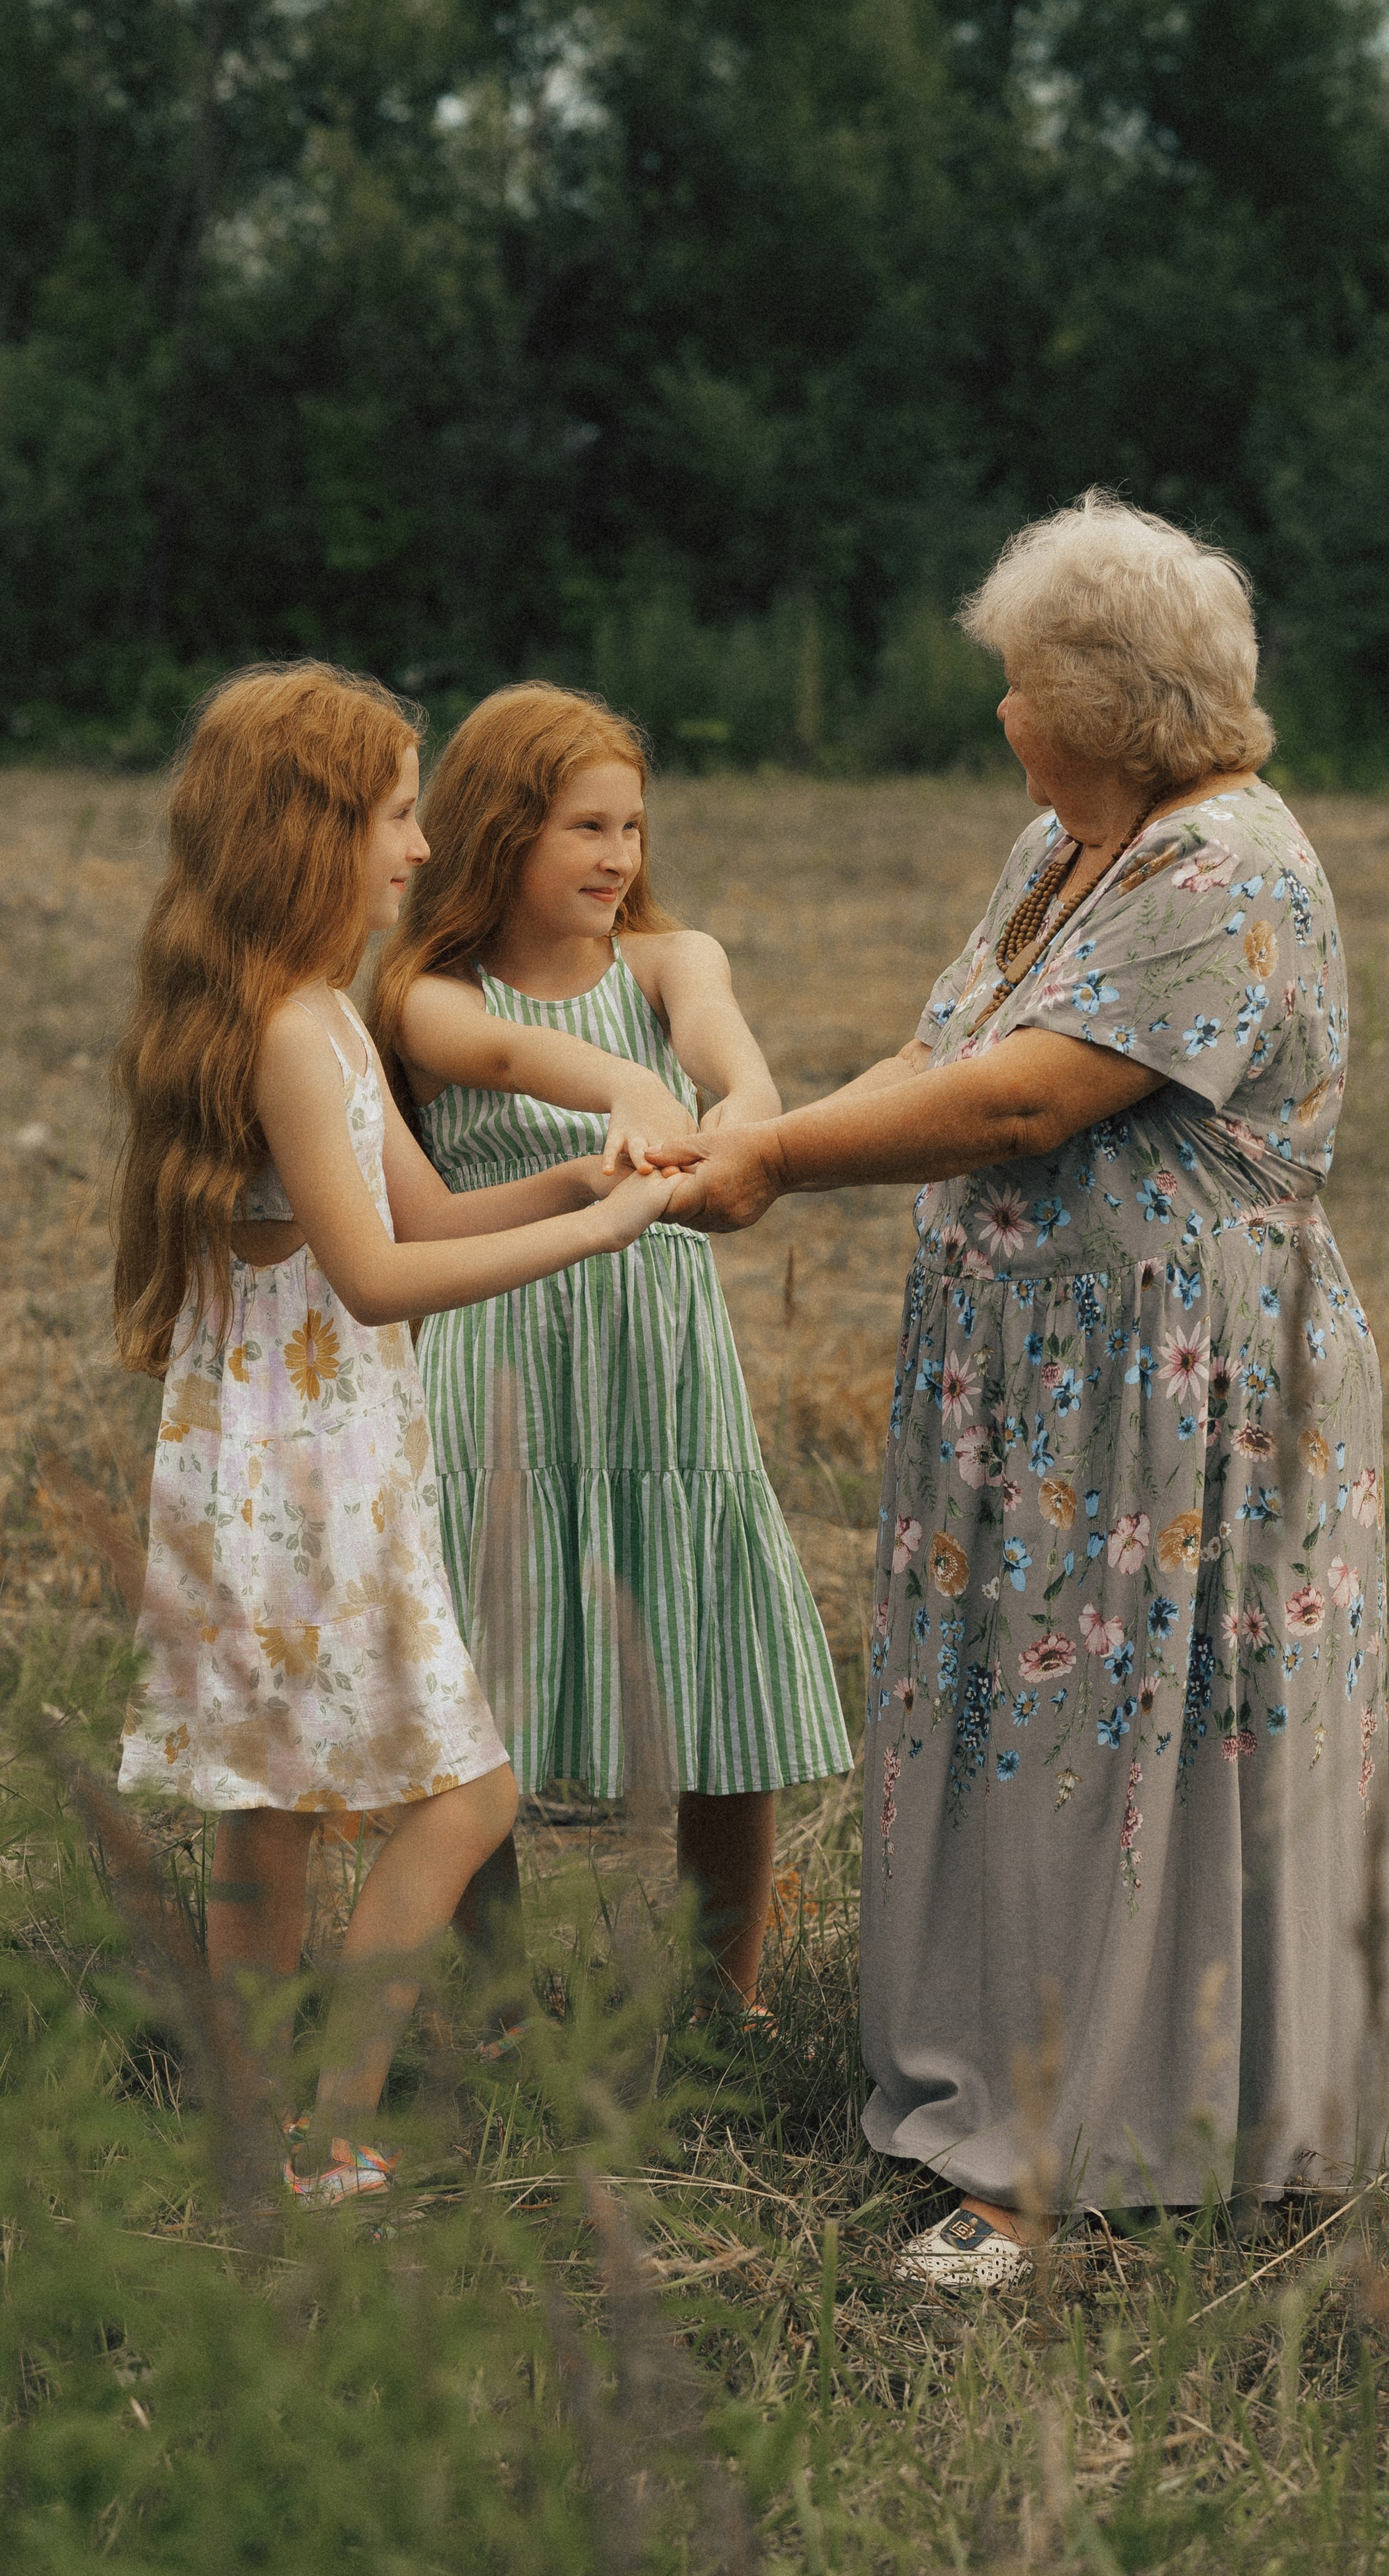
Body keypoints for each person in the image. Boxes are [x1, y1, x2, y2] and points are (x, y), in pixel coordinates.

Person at [650, 494, 1389, 2285]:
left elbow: (1017, 1105)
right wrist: (751, 1135)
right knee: (1035, 1722)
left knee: (1131, 1732)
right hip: (1042, 1390)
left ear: (1107, 699)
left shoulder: (1224, 865)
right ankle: (1015, 2082)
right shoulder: (1067, 843)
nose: (1000, 715)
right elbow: (944, 1050)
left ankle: (1083, 2148)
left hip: (1176, 1392)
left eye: (1019, 685)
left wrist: (769, 1170)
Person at [111, 663, 670, 2207]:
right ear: (309, 832)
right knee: (463, 1795)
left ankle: (256, 2127)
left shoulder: (324, 1023)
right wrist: (600, 1235)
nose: (421, 851)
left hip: (299, 1458)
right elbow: (375, 1277)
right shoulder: (292, 1033)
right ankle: (323, 2126)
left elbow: (421, 1212)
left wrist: (571, 1179)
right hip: (301, 1471)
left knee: (272, 1821)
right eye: (396, 816)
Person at [371, 682, 850, 2028]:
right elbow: (510, 1052)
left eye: (632, 827)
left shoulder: (670, 960)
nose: (619, 857)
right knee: (480, 1689)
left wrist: (725, 1120)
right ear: (498, 831)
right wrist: (625, 1094)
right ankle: (491, 2002)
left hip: (661, 1374)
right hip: (498, 1370)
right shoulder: (426, 994)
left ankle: (720, 2002)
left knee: (718, 1679)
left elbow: (736, 1076)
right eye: (586, 827)